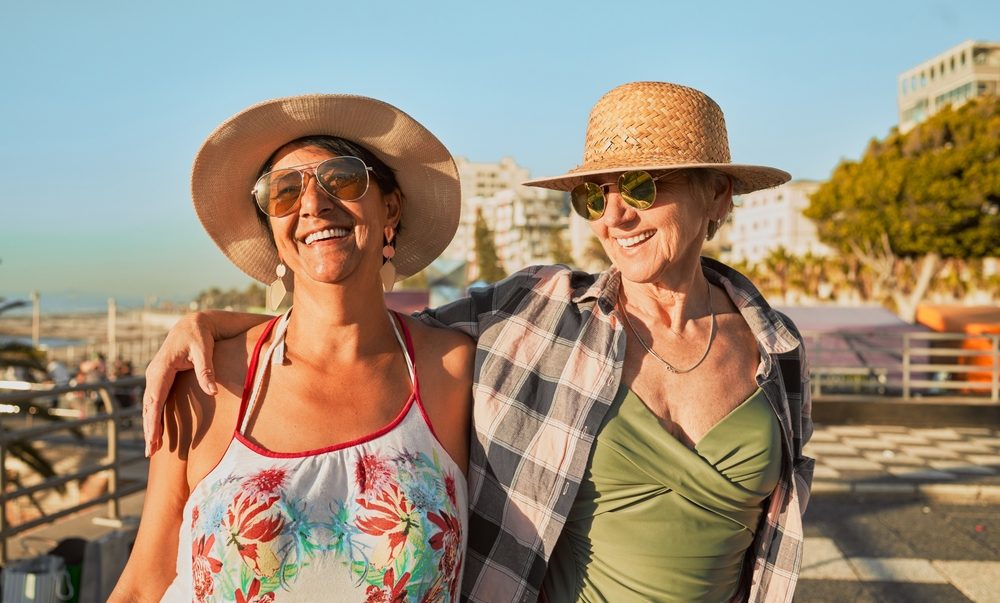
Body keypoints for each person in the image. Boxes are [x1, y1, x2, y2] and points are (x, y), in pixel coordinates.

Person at [141, 82, 814, 602]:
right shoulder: (535, 316)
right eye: (594, 195)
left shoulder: (776, 350)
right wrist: (219, 325)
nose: (616, 214)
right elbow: (350, 322)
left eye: (641, 185)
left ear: (718, 194)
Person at [111, 94, 474, 601]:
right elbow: (145, 583)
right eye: (283, 192)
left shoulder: (453, 372)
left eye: (342, 179)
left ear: (390, 206)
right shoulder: (204, 383)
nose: (312, 204)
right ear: (273, 229)